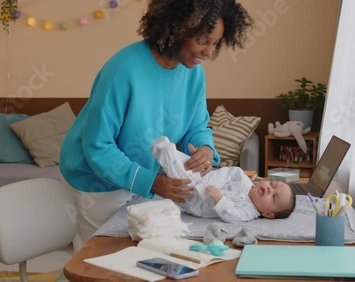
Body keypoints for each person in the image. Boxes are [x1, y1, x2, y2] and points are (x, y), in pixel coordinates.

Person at [59, 0, 253, 251]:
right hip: (96, 180)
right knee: (100, 258)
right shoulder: (123, 69)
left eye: (215, 43)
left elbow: (197, 125)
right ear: (176, 29)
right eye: (203, 40)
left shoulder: (193, 73)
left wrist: (205, 148)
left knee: (142, 254)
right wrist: (150, 182)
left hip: (143, 178)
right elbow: (98, 147)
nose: (209, 52)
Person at [152, 136, 296, 222]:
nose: (270, 189)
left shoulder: (249, 212)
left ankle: (167, 155)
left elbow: (232, 216)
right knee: (190, 164)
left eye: (274, 197)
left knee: (182, 182)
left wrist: (220, 199)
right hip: (204, 180)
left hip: (195, 200)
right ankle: (170, 154)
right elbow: (224, 173)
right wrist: (207, 182)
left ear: (268, 214)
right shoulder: (242, 178)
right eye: (272, 183)